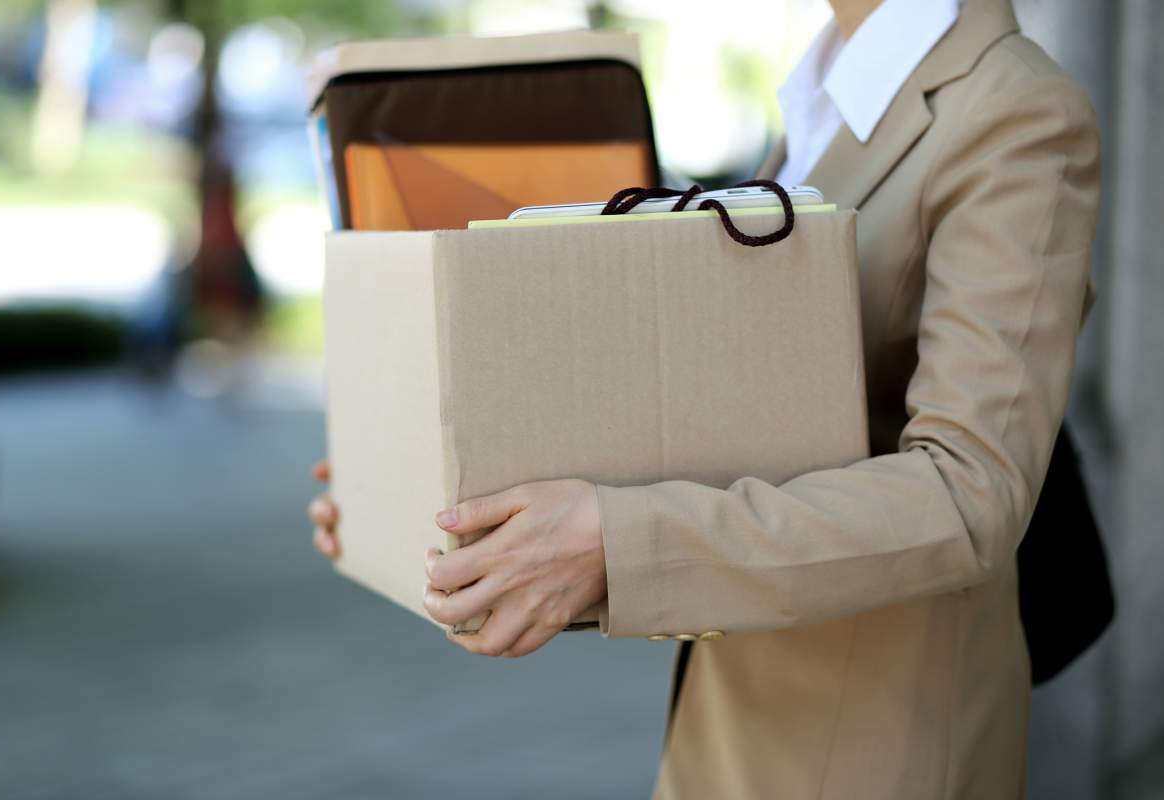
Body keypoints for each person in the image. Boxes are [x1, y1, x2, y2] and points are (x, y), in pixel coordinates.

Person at [308, 0, 1100, 795]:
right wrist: (415, 488)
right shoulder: (832, 90)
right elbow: (749, 413)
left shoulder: (1015, 110)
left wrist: (617, 545)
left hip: (871, 728)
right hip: (740, 691)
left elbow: (971, 494)